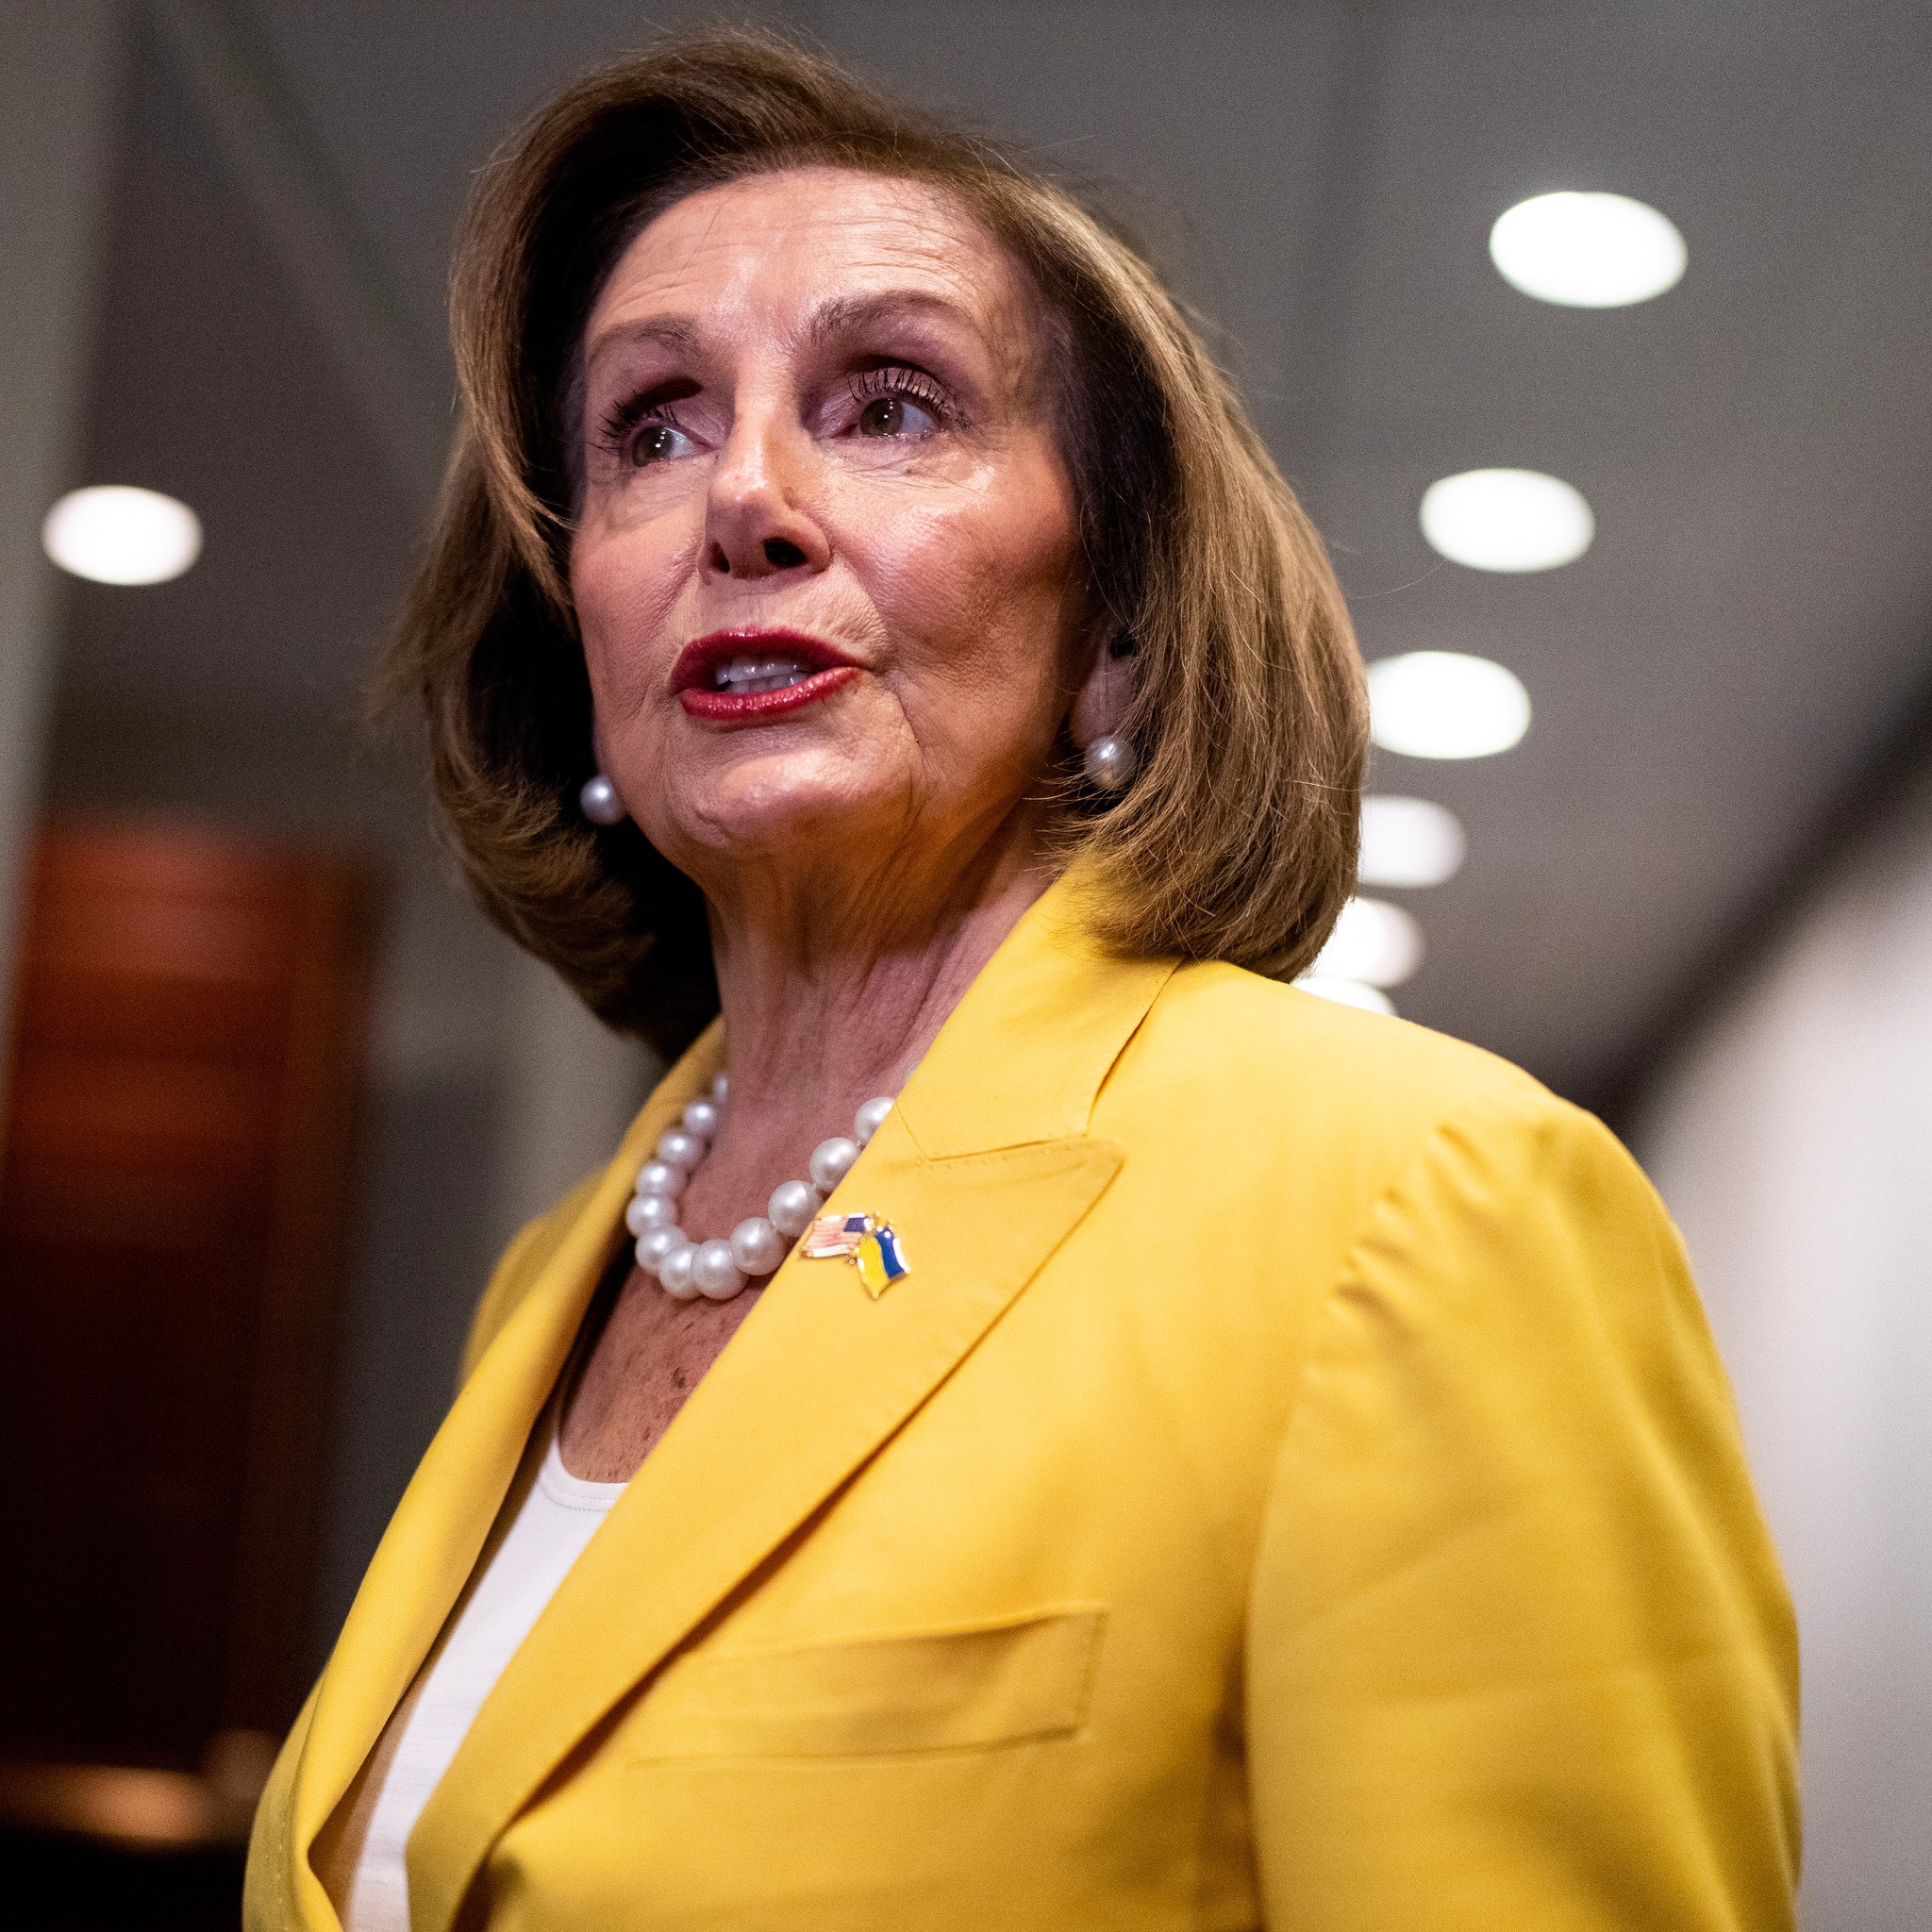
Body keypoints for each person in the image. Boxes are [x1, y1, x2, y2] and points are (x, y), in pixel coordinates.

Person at [247, 28, 1796, 1932]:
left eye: (889, 402)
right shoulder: (549, 1279)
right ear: (583, 626)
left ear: (1119, 634)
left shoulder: (1418, 1197)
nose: (745, 496)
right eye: (649, 426)